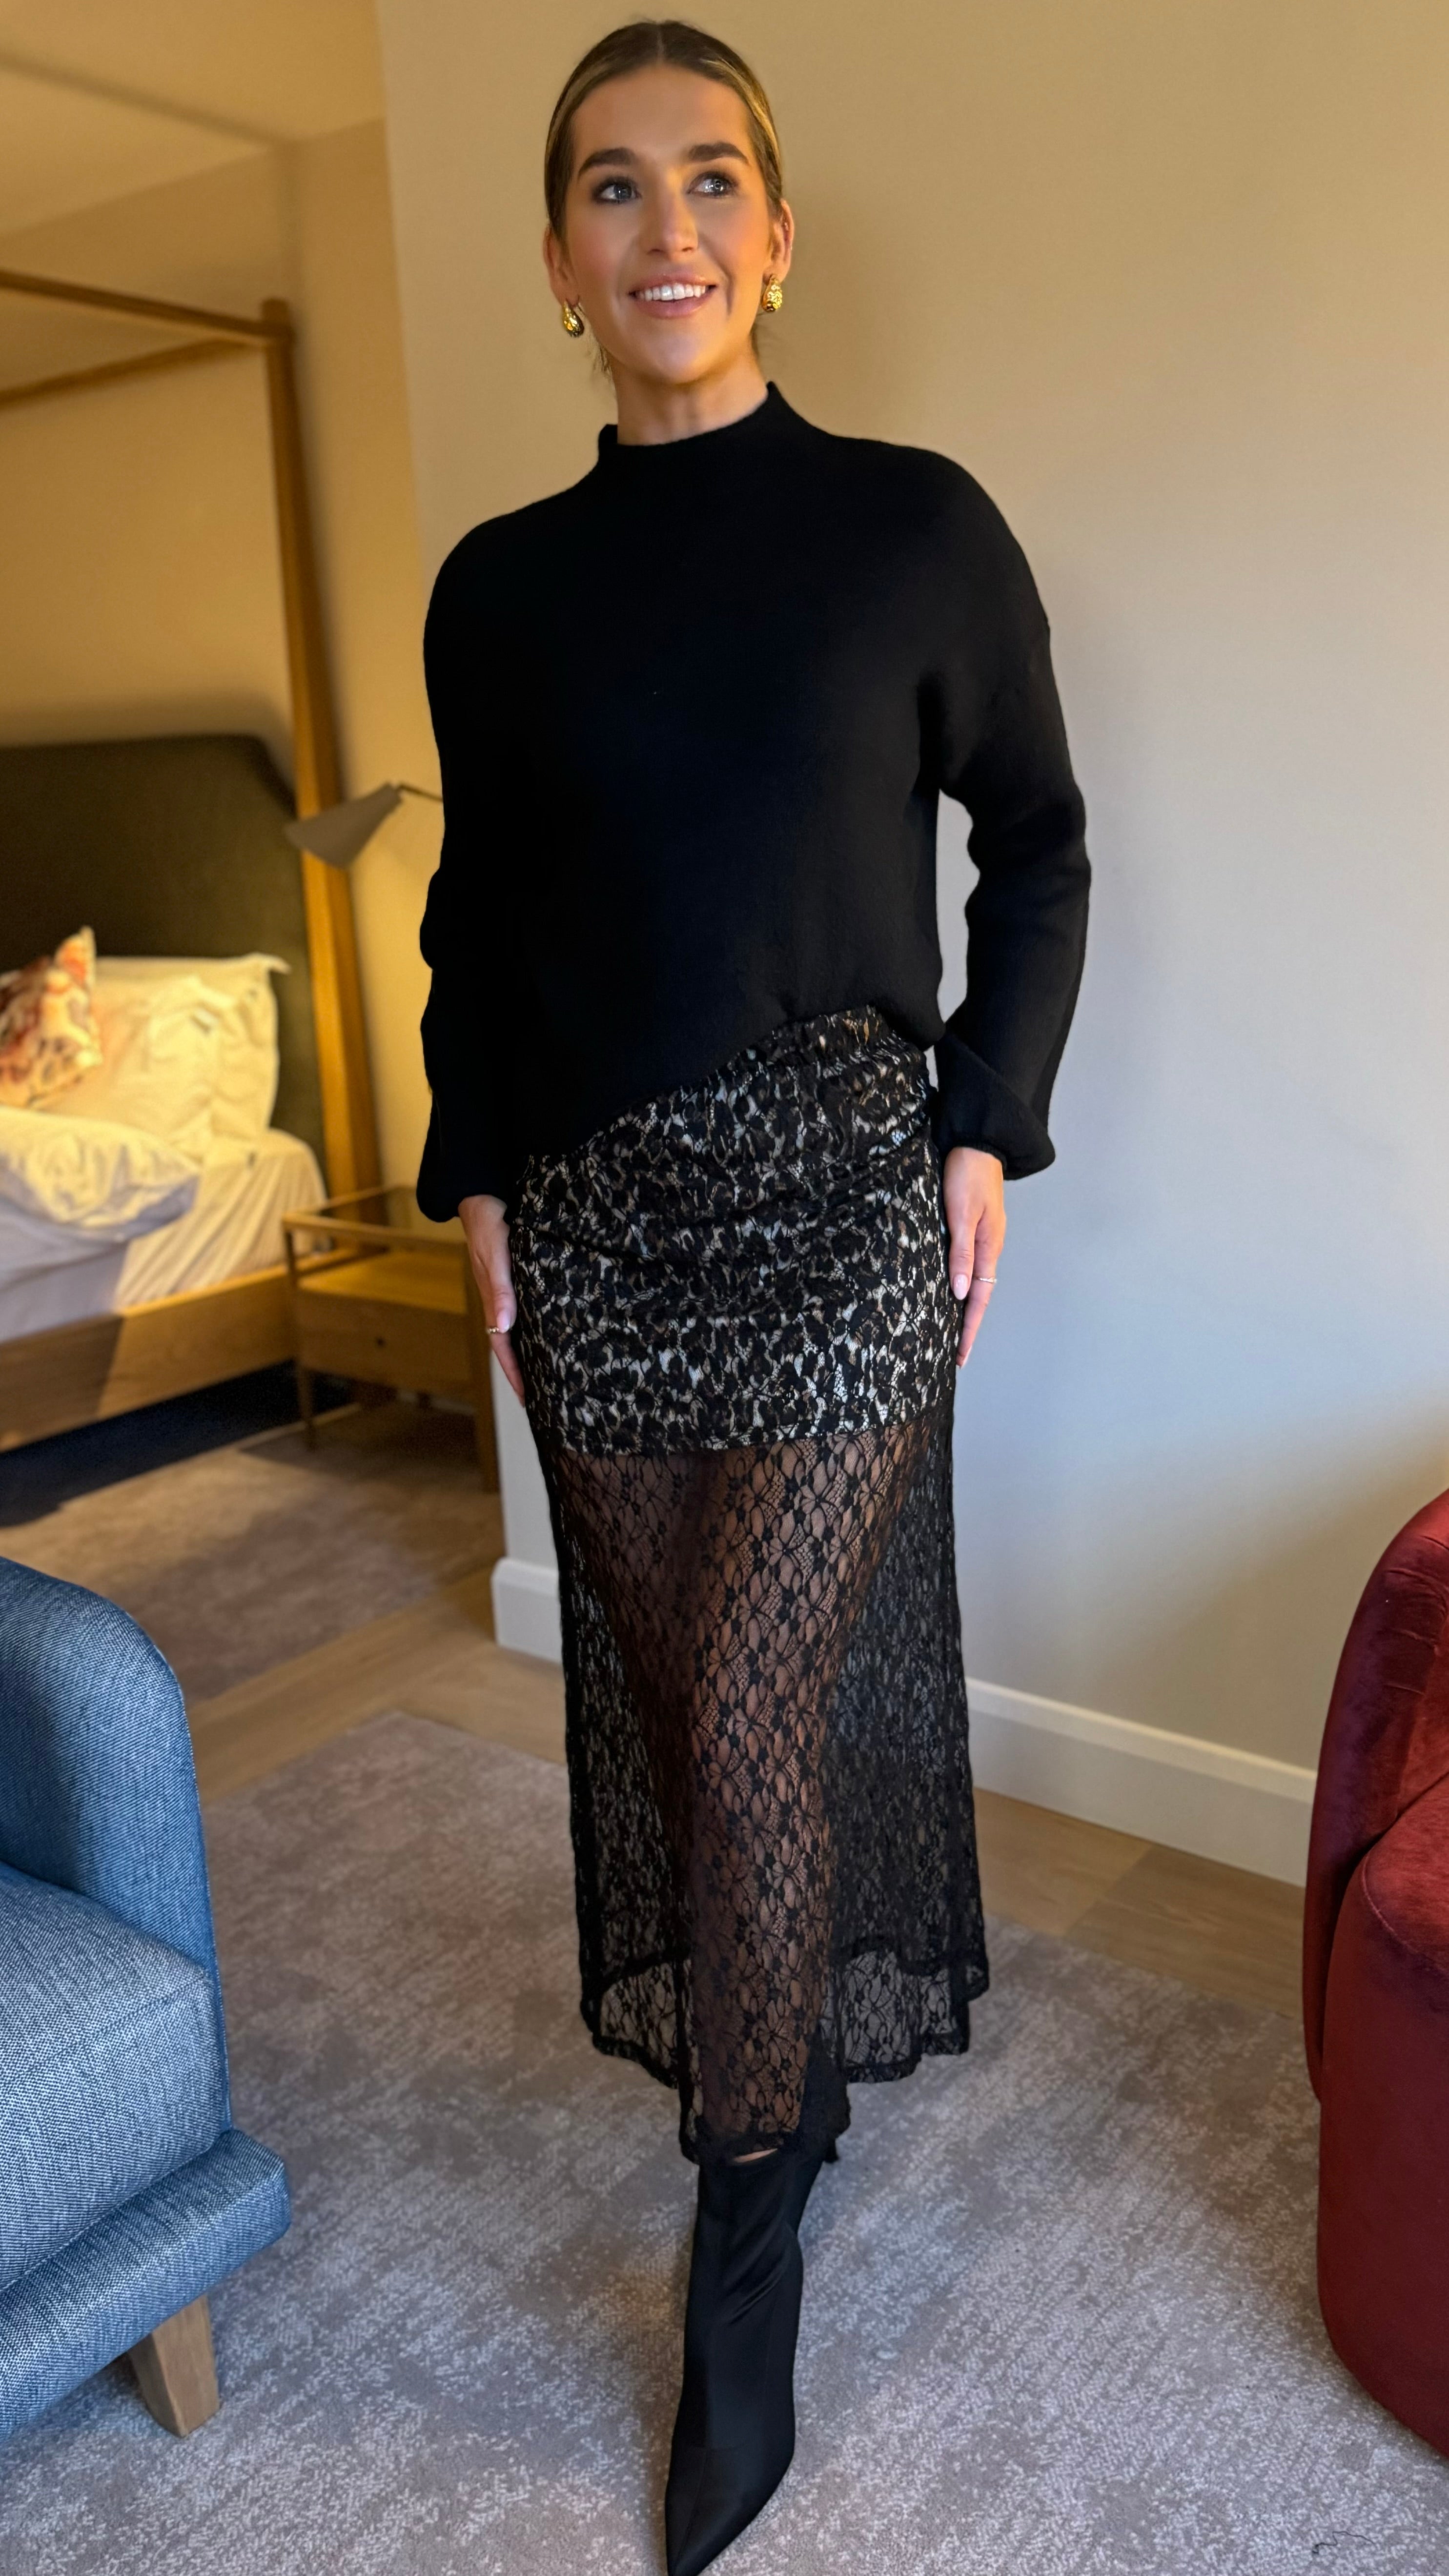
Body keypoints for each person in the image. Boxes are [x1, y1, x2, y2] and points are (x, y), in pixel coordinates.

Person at [416, 20, 1089, 2572]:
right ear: (562, 259)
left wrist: (982, 1118)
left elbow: (1040, 844)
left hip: (833, 1209)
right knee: (700, 1724)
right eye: (614, 187)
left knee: (757, 1715)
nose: (667, 227)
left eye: (712, 180)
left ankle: (745, 2224)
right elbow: (477, 916)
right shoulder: (498, 590)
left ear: (776, 239)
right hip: (593, 1230)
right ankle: (773, 2110)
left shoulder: (915, 529)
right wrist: (476, 1174)